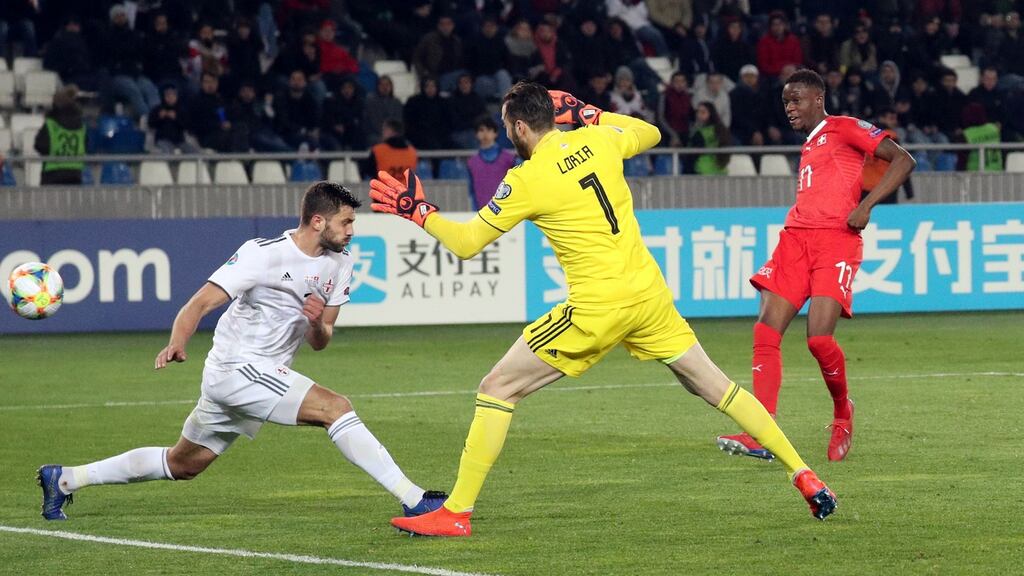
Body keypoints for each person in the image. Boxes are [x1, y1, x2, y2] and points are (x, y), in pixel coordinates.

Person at [371, 81, 838, 537]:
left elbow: (469, 242)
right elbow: (650, 133)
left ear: (517, 129)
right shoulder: (597, 139)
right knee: (717, 387)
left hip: (596, 309)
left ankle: (456, 512)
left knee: (496, 388)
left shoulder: (526, 179)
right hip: (649, 298)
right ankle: (804, 474)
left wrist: (420, 212)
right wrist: (586, 112)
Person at [37, 182, 447, 521]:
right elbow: (198, 303)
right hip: (237, 368)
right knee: (335, 408)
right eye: (347, 221)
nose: (352, 230)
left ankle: (66, 478)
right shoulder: (263, 254)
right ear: (318, 220)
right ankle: (415, 501)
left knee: (184, 464)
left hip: (259, 376)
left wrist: (317, 321)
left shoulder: (341, 264)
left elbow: (321, 341)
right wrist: (178, 342)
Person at [716, 69, 916, 463]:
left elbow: (903, 160)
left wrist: (865, 205)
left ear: (818, 99)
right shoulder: (810, 143)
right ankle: (762, 430)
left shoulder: (843, 128)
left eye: (797, 100)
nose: (789, 108)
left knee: (818, 340)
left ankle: (843, 412)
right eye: (786, 101)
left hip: (835, 242)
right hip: (795, 239)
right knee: (765, 330)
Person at [35, 86, 86, 186]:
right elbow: (86, 144)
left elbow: (39, 145)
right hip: (75, 174)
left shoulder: (51, 124)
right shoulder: (81, 125)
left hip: (52, 175)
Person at [466, 116, 517, 210]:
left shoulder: (509, 159)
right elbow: (471, 191)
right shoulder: (472, 162)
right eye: (481, 130)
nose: (485, 134)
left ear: (495, 133)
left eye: (489, 130)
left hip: (506, 212)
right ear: (476, 134)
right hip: (480, 213)